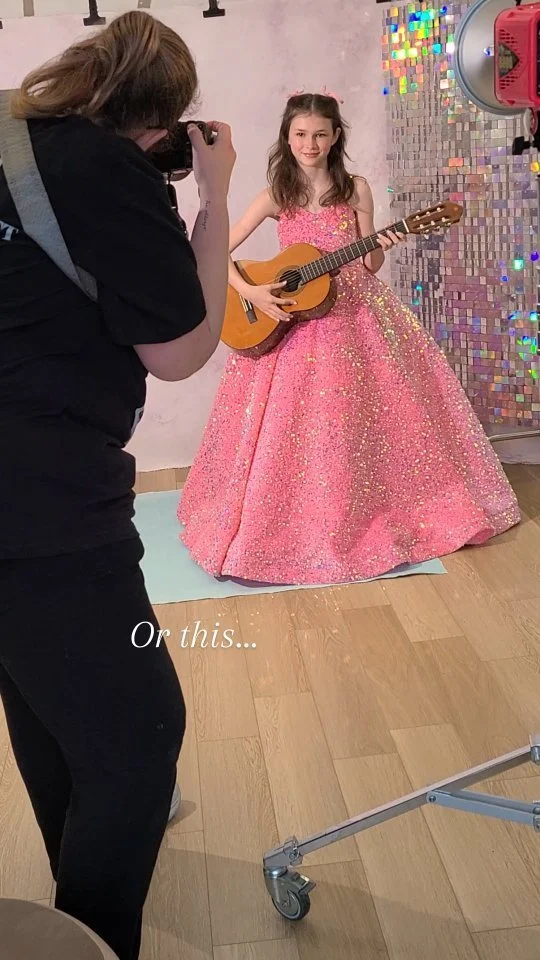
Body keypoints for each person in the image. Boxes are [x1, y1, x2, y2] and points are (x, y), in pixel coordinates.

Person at [0, 11, 235, 960]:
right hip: (41, 497)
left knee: (49, 704)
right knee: (141, 738)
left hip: (19, 506)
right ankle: (88, 946)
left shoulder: (14, 133)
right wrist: (211, 197)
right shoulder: (104, 169)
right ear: (158, 120)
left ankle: (69, 914)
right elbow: (179, 350)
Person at [178, 90, 520, 585]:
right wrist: (252, 291)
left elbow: (370, 263)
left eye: (320, 134)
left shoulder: (355, 188)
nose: (310, 144)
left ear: (336, 136)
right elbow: (216, 250)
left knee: (375, 418)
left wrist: (382, 243)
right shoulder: (278, 194)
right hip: (294, 324)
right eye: (300, 135)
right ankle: (299, 521)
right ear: (287, 138)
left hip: (358, 313)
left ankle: (371, 512)